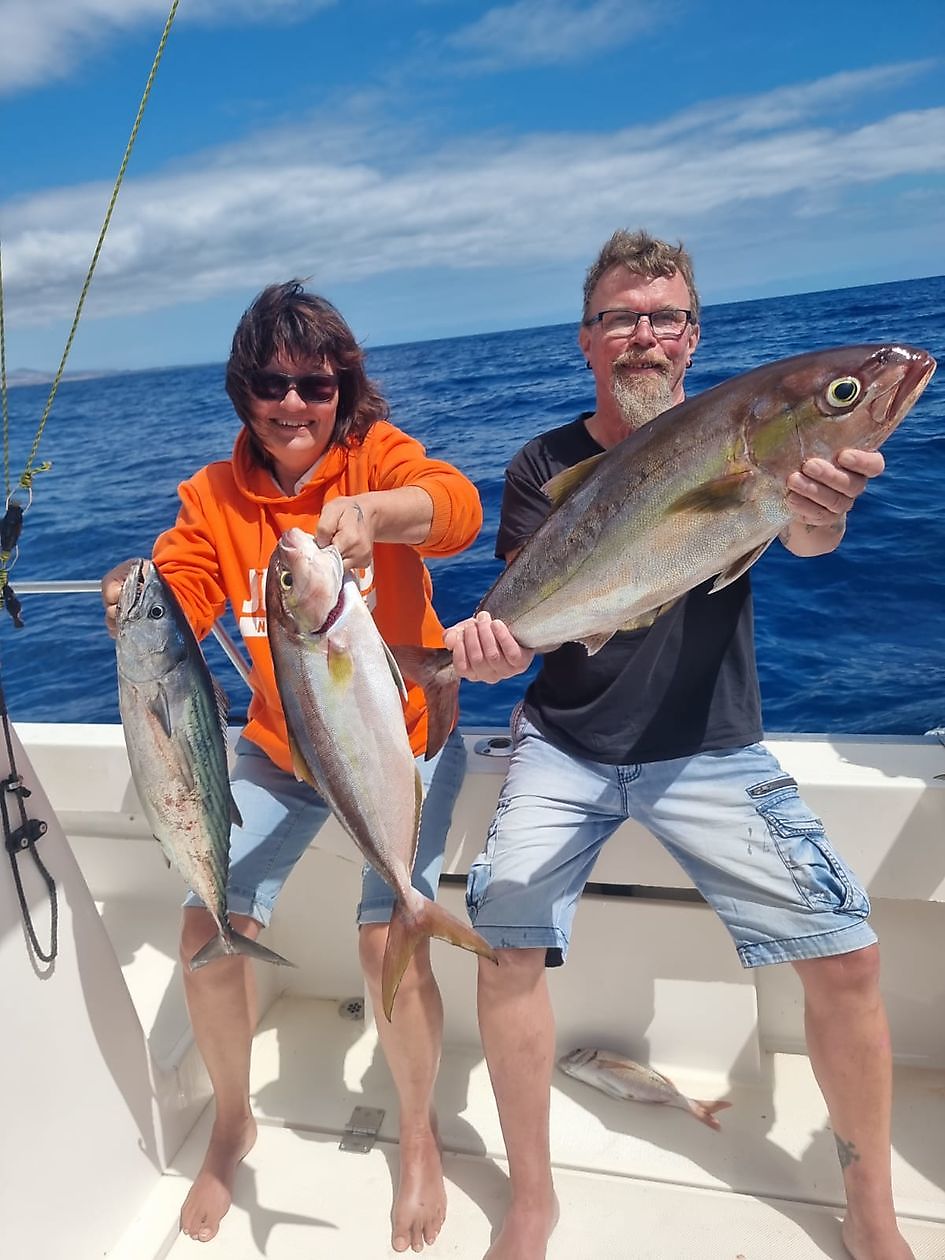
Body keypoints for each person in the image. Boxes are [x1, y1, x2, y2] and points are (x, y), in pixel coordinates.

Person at [445, 229, 914, 1260]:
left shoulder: (750, 445)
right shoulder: (542, 465)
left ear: (694, 337)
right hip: (565, 742)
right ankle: (532, 1202)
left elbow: (803, 536)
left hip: (708, 741)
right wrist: (483, 652)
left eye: (664, 318)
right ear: (587, 339)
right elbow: (532, 613)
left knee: (848, 957)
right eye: (620, 318)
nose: (643, 335)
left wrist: (824, 510)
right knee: (504, 946)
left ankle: (872, 1213)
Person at [101, 281, 483, 1253]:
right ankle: (233, 1123)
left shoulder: (374, 456)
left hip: (398, 741)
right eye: (272, 383)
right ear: (244, 391)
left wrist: (378, 513)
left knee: (387, 936)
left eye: (316, 384)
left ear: (342, 388)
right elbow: (184, 590)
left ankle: (420, 1136)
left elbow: (456, 509)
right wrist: (136, 600)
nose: (294, 403)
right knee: (206, 929)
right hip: (283, 749)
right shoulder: (212, 496)